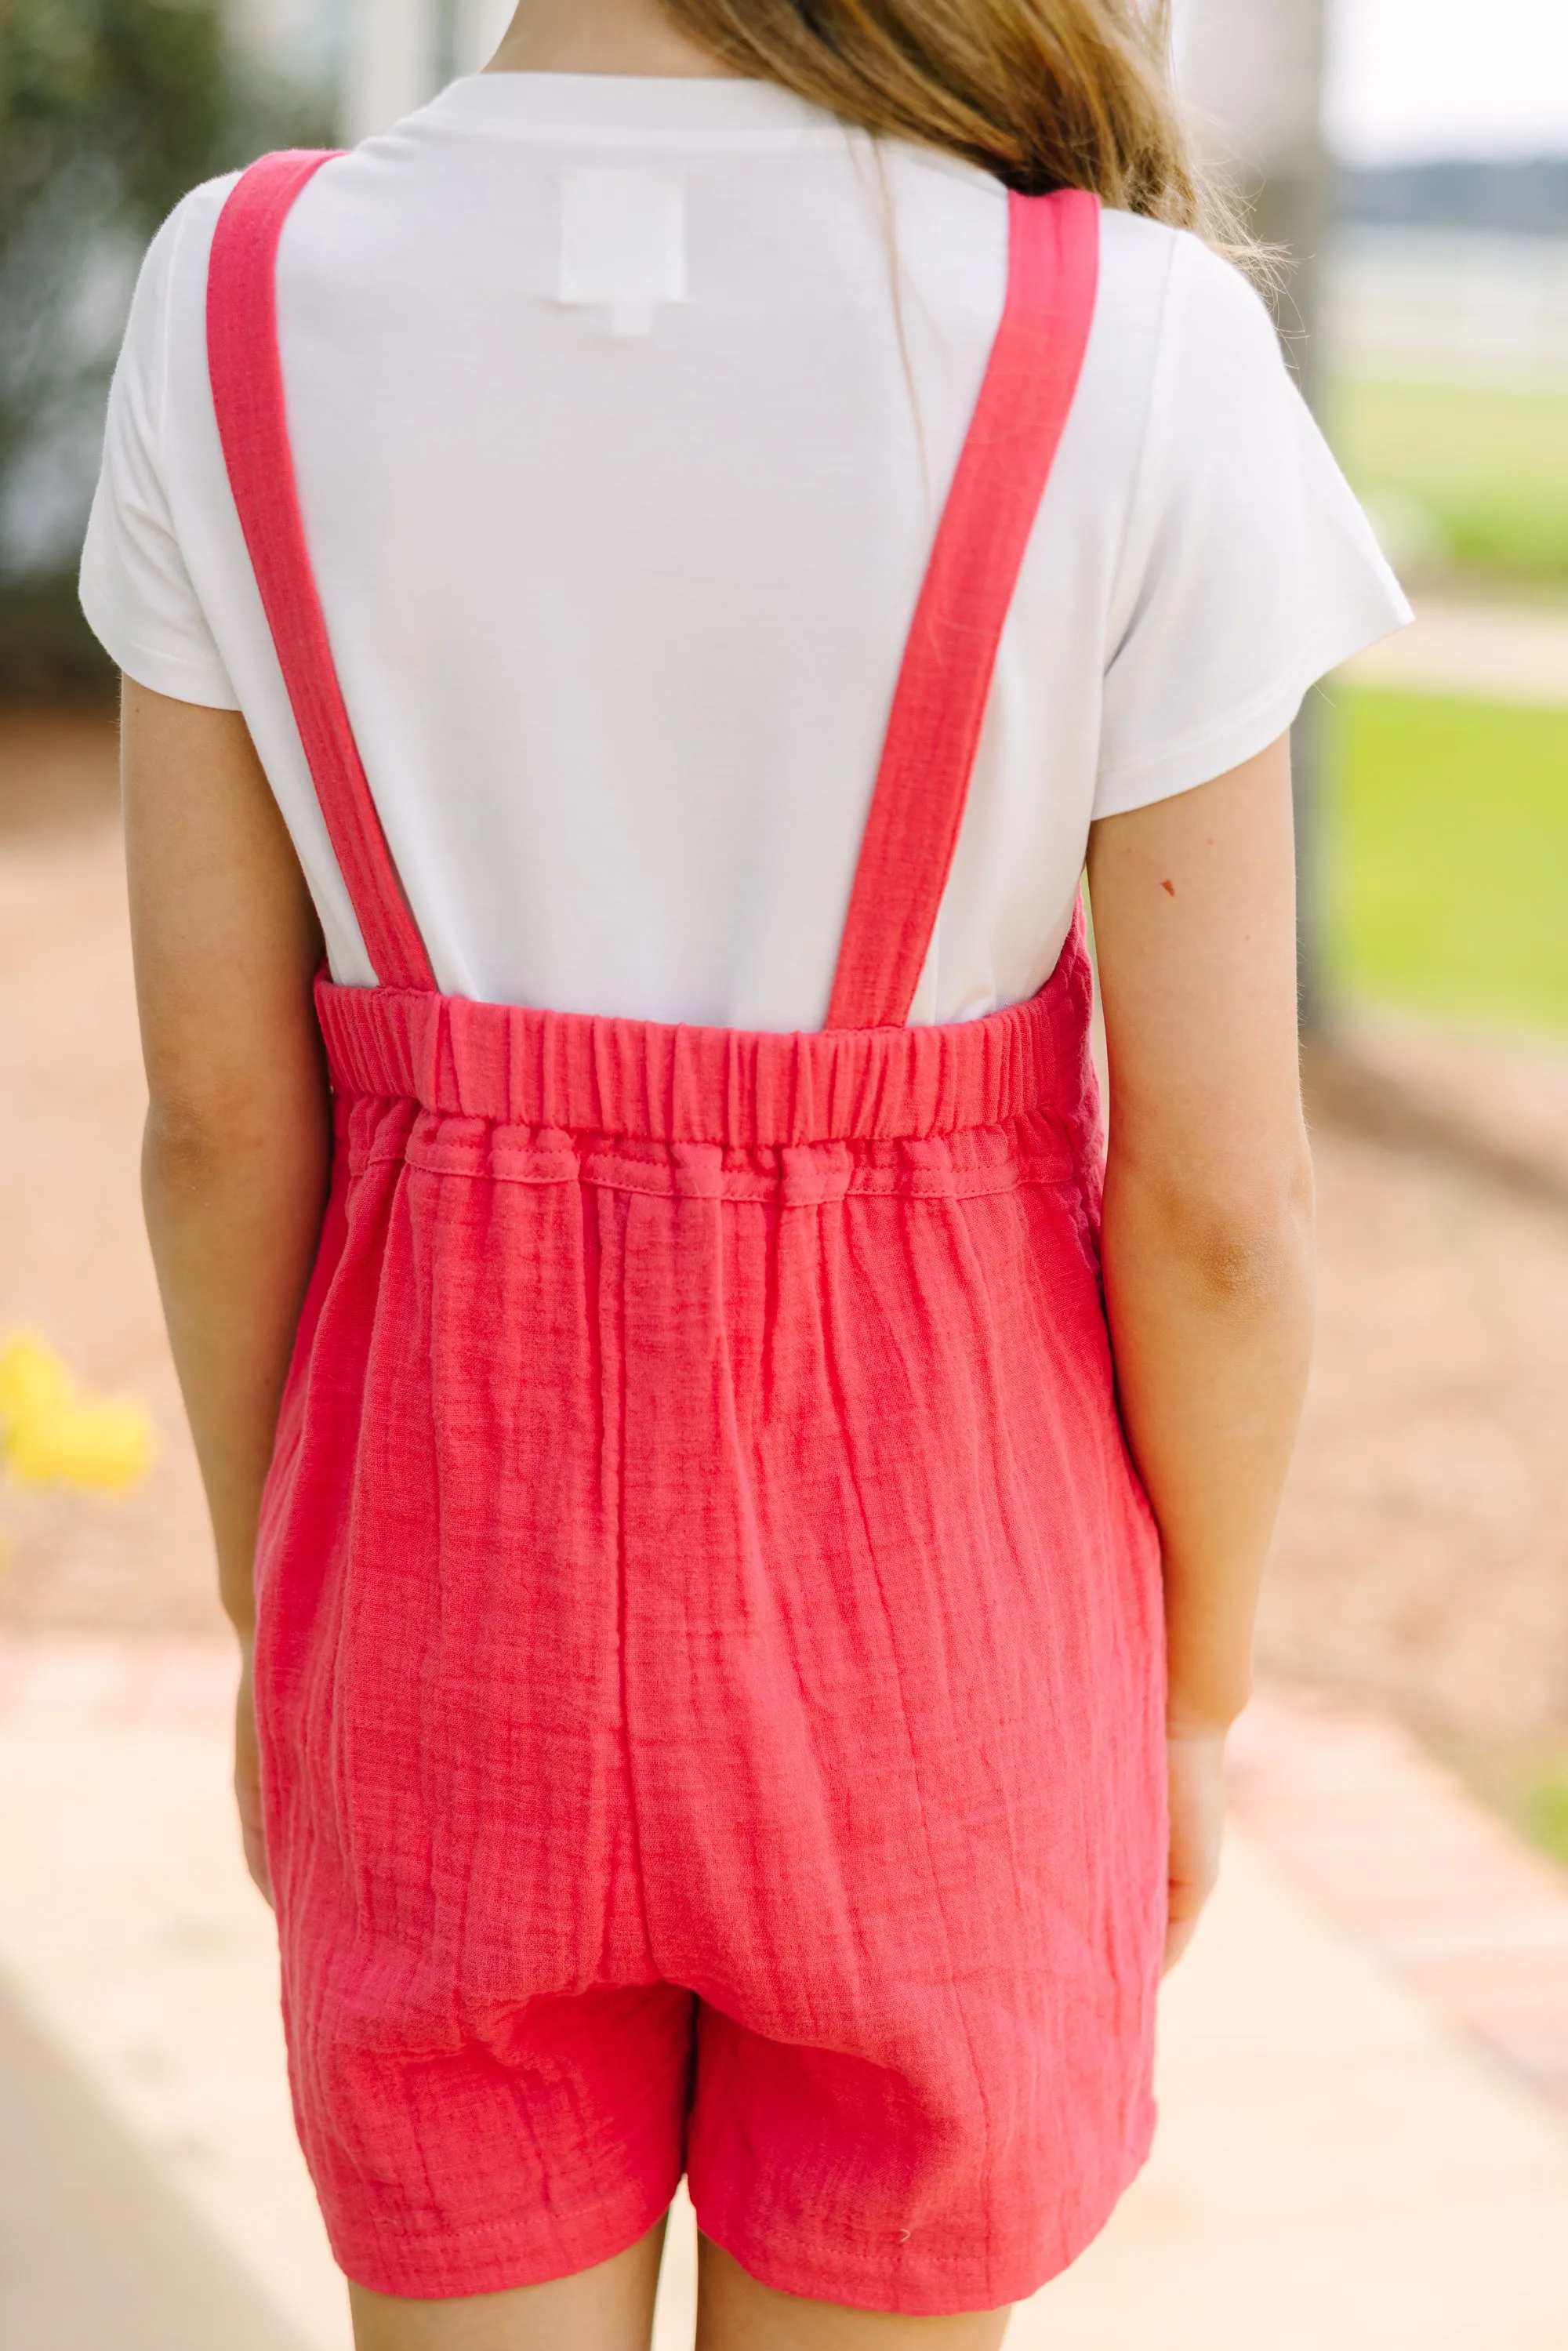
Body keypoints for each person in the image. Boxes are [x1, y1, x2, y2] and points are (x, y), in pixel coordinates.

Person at [82, 1, 1409, 2343]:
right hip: (946, 1640)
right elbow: (1218, 1206)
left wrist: (268, 1596)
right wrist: (1185, 1696)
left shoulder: (237, 293)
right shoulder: (1130, 334)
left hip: (436, 1582)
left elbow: (213, 1111)